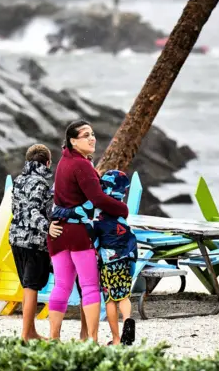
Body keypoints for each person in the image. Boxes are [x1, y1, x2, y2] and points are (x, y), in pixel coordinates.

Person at [46, 120, 129, 342]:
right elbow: (98, 199)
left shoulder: (64, 162)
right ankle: (92, 340)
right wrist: (123, 208)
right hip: (79, 234)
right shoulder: (82, 165)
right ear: (73, 141)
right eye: (86, 135)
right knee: (90, 286)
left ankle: (54, 337)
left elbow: (59, 200)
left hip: (58, 234)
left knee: (61, 286)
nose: (92, 138)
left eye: (92, 134)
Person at [52, 169, 138, 345]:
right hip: (128, 255)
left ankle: (115, 338)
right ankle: (128, 319)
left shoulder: (98, 209)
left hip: (109, 260)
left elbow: (90, 230)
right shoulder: (121, 209)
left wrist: (58, 214)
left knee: (110, 299)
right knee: (123, 296)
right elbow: (127, 233)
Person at [9, 143, 53, 341]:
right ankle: (27, 334)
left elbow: (15, 210)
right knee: (32, 286)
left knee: (27, 286)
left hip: (15, 239)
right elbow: (34, 211)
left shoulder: (19, 180)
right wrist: (48, 227)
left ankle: (30, 331)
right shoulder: (41, 183)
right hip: (34, 242)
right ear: (48, 162)